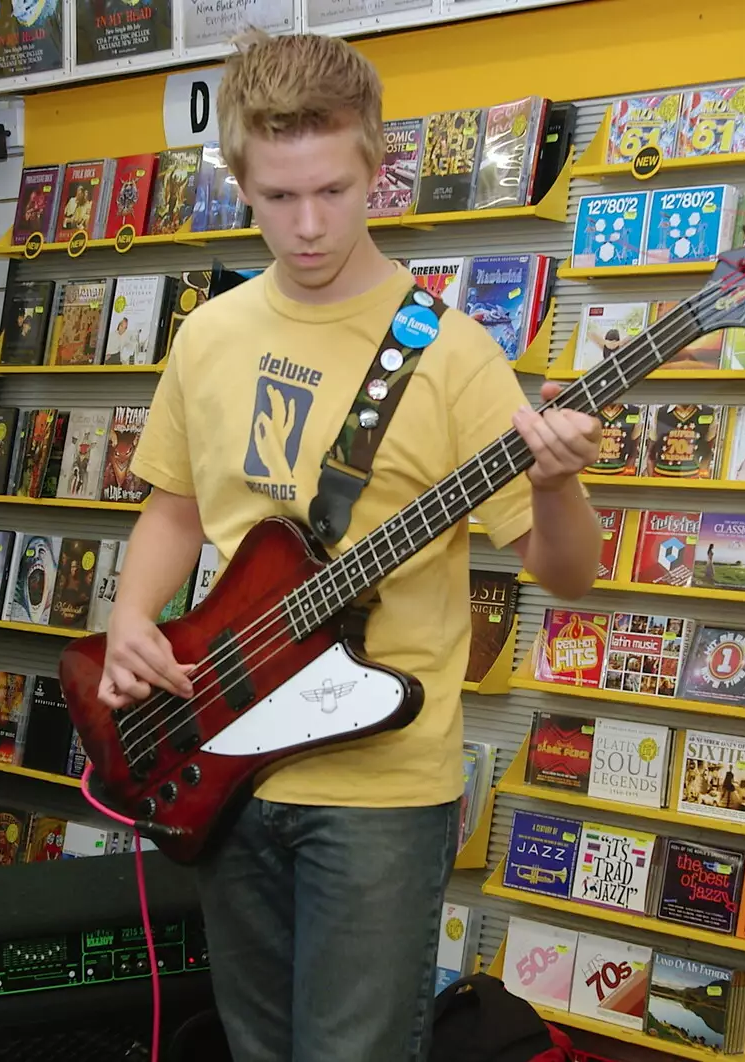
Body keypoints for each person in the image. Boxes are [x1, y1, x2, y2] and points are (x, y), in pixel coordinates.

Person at [97, 30, 602, 1062]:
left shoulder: (451, 354)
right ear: (238, 178)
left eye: (333, 189)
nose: (309, 225)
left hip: (380, 787)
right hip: (223, 753)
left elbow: (569, 573)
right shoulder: (209, 334)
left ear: (379, 168)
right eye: (278, 198)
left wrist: (555, 484)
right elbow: (177, 508)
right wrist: (127, 619)